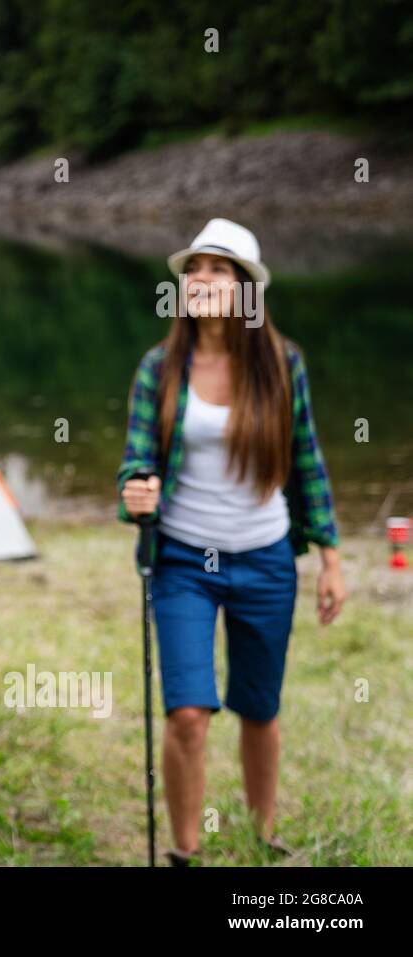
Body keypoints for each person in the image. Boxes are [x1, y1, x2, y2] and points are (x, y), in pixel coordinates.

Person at [118, 217, 346, 865]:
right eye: (195, 269)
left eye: (219, 269)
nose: (203, 279)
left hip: (268, 557)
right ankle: (184, 852)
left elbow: (308, 461)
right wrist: (134, 489)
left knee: (259, 707)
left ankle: (263, 831)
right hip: (184, 559)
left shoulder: (282, 363)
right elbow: (136, 462)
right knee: (189, 712)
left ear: (247, 287)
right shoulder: (159, 368)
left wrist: (330, 557)